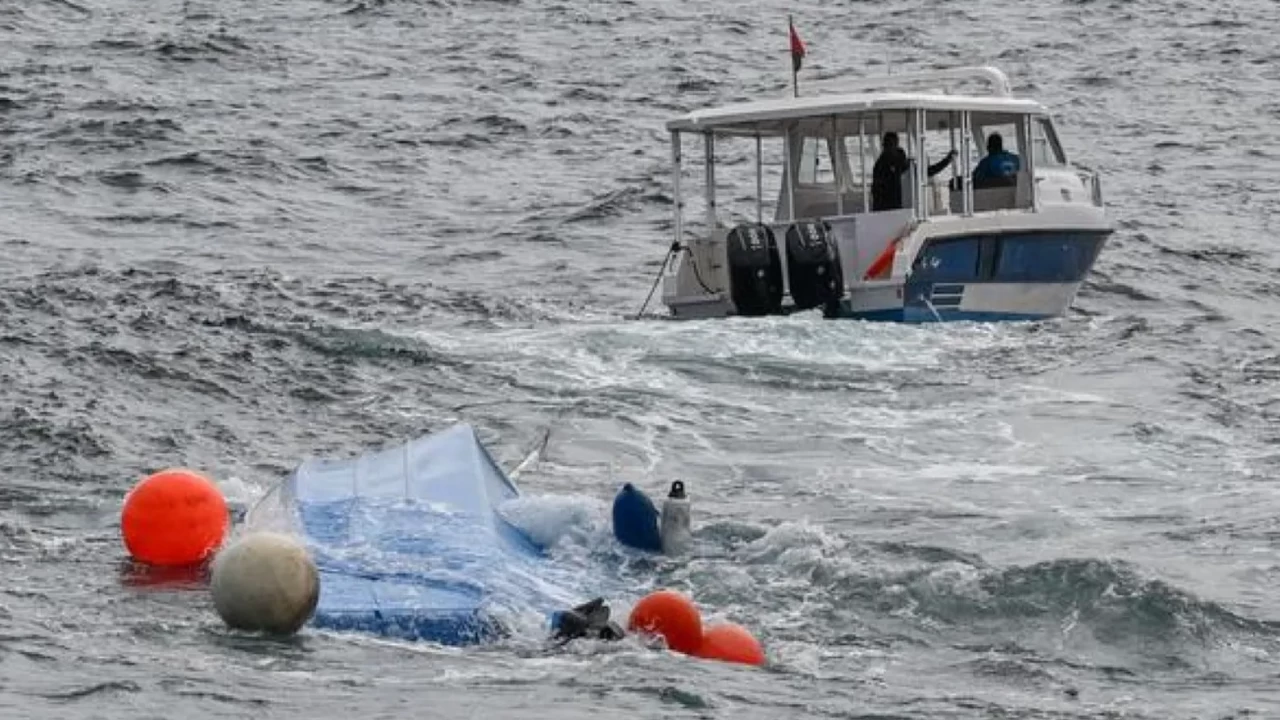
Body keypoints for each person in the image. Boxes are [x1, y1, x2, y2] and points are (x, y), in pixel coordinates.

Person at [870, 132, 956, 211]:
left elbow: (927, 171)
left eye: (894, 145)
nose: (892, 149)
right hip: (886, 209)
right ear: (884, 146)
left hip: (896, 208)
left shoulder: (901, 164)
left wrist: (947, 160)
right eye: (890, 145)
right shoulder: (881, 167)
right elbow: (877, 192)